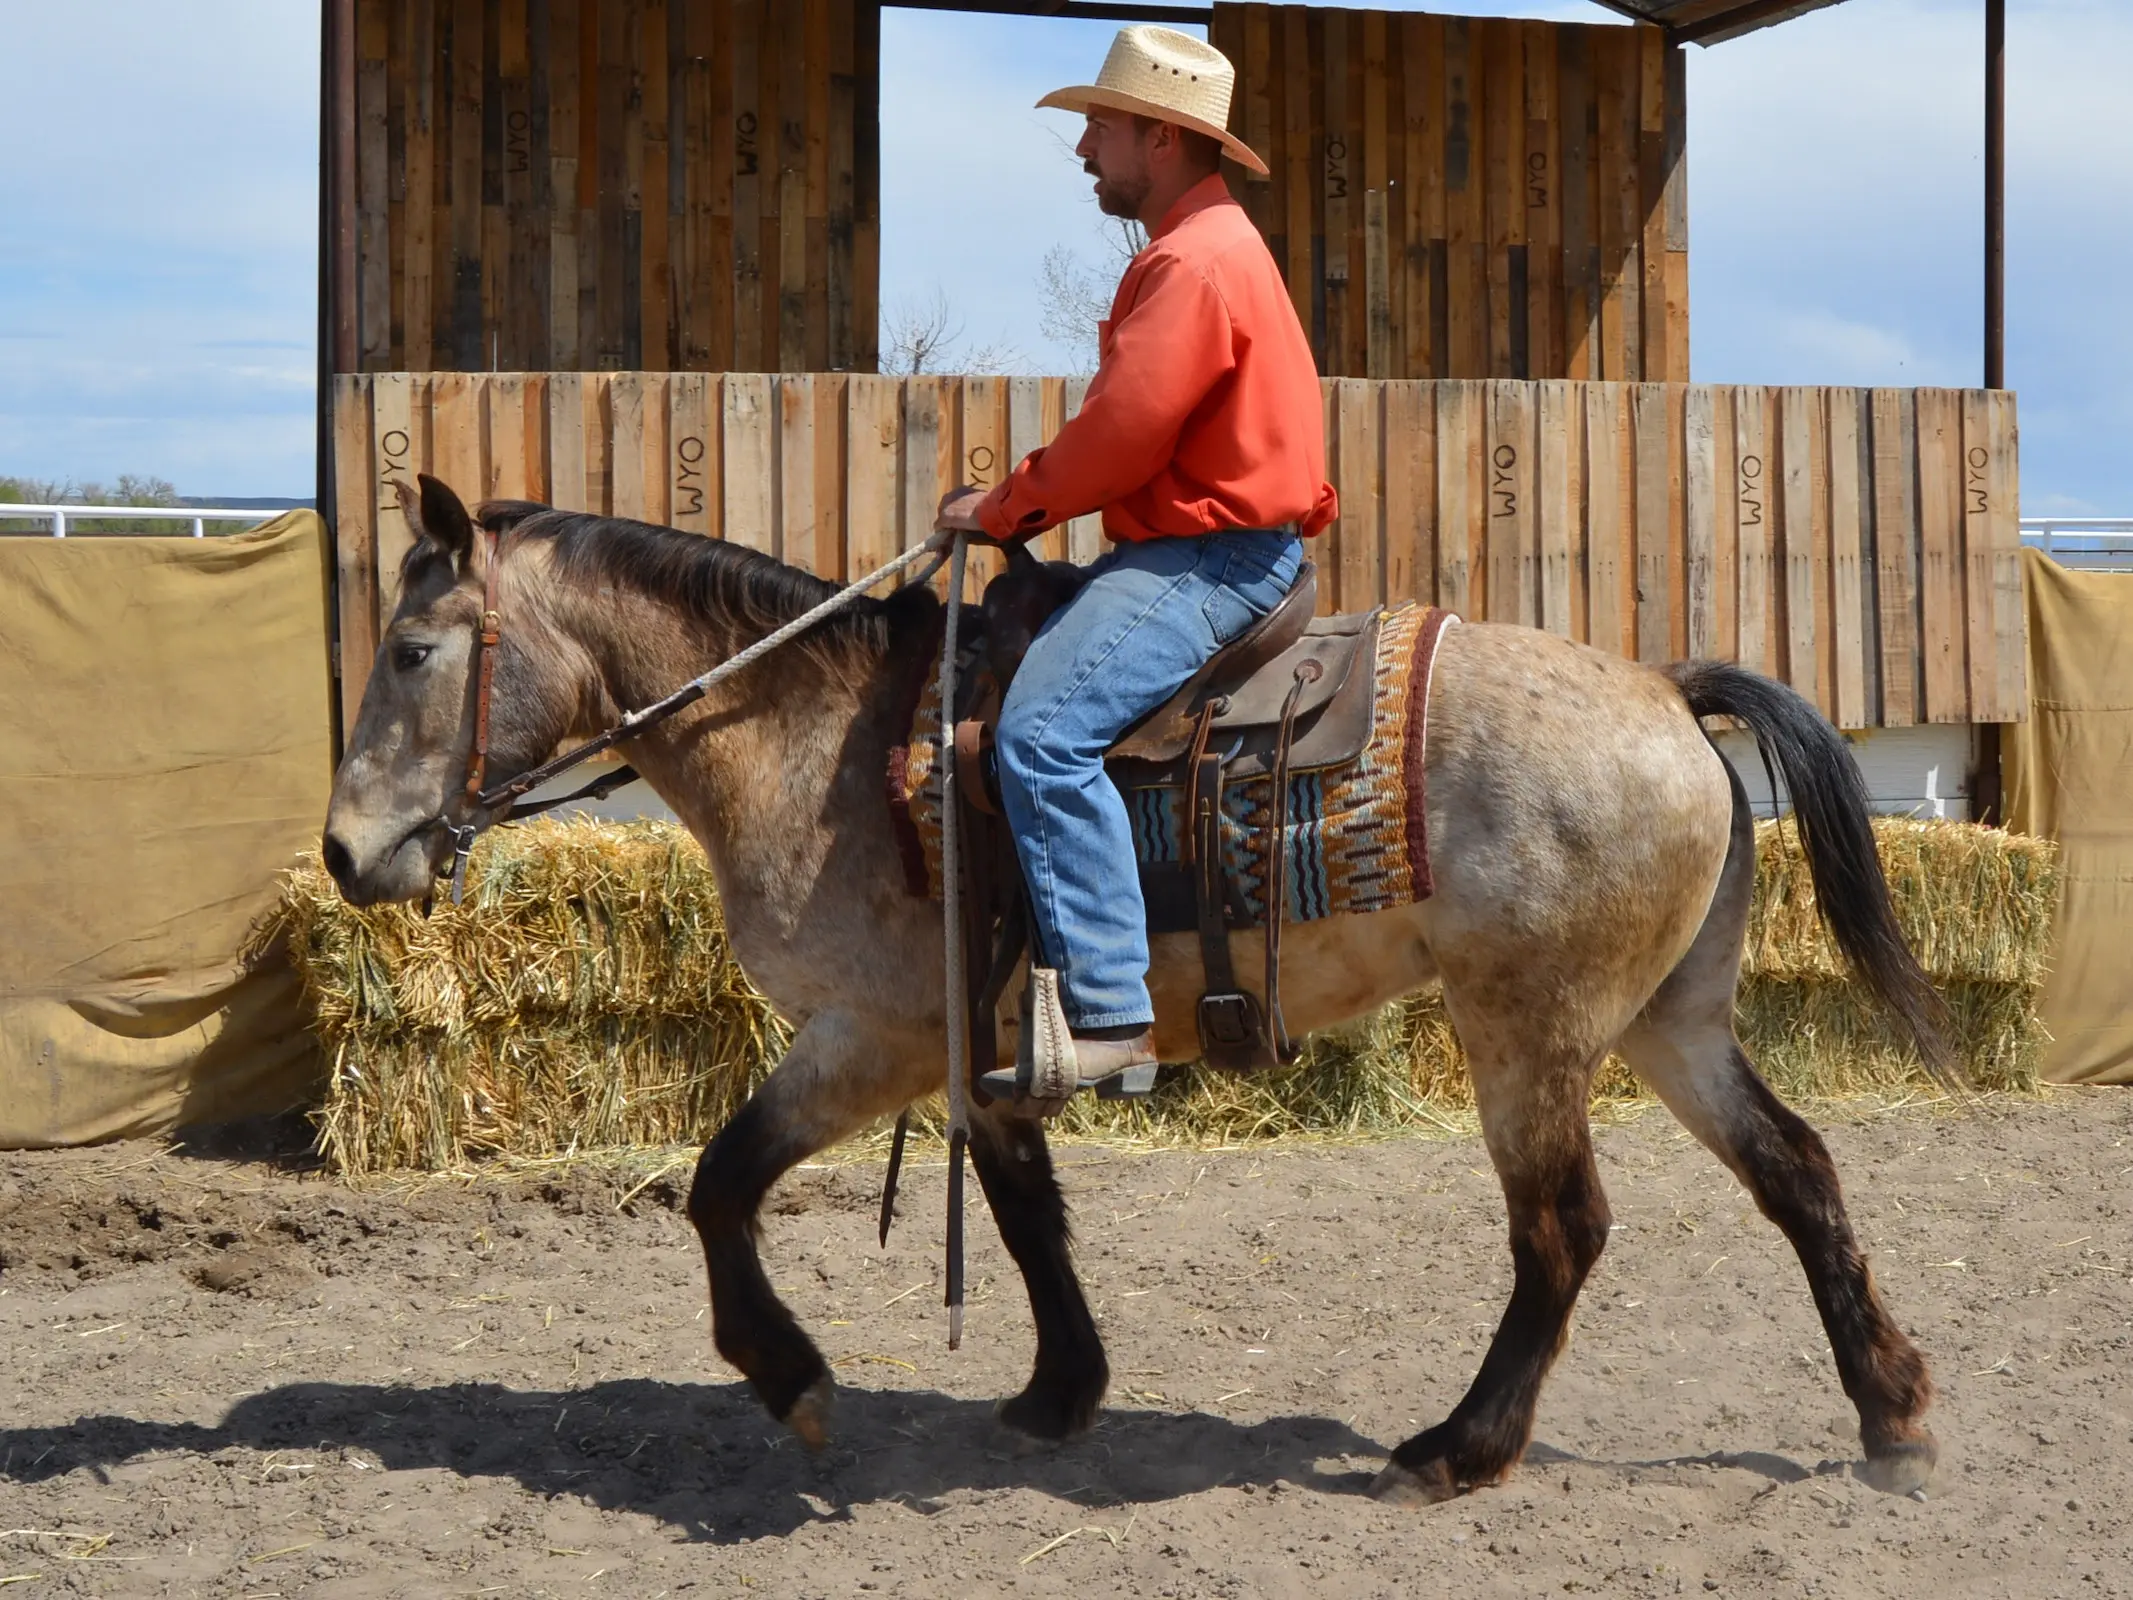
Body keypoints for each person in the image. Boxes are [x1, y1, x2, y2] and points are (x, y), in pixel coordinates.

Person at [935, 25, 1337, 1110]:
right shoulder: (1210, 247)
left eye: (1101, 127)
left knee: (1040, 736)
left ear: (1161, 137)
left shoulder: (1191, 262)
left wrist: (1006, 504)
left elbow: (1124, 433)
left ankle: (1113, 1011)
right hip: (1215, 542)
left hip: (1208, 558)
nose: (1085, 152)